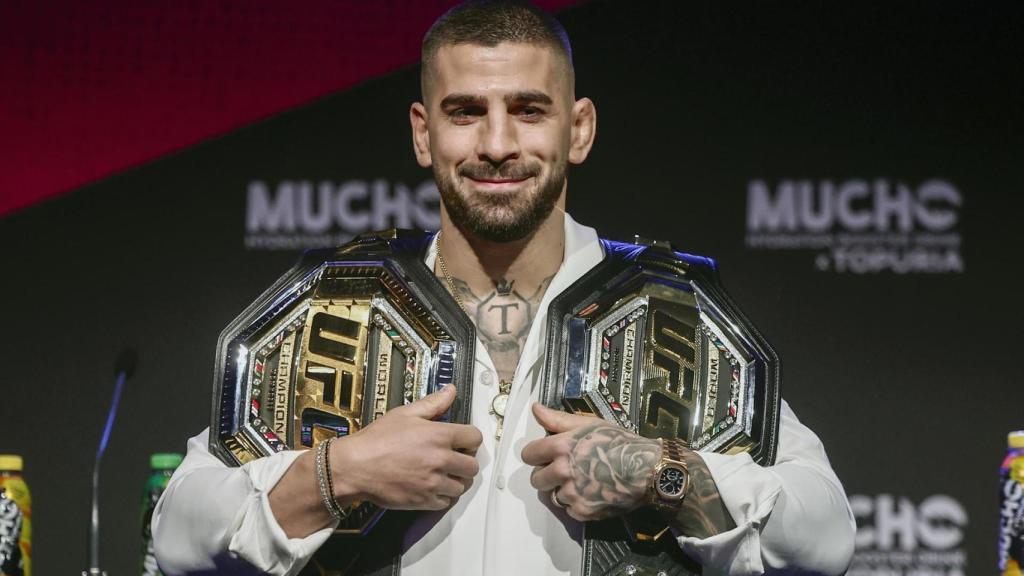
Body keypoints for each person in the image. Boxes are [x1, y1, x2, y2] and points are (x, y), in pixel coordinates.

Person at [153, 1, 856, 574]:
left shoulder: (671, 313)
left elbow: (823, 540)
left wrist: (662, 475)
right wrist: (339, 472)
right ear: (424, 135)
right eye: (465, 112)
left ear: (577, 128)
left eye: (528, 109)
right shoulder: (340, 308)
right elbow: (178, 536)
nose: (496, 143)